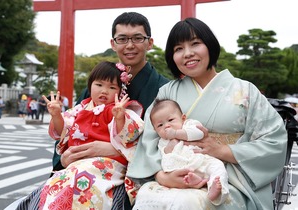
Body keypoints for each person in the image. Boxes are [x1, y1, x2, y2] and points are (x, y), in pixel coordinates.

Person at [127, 18, 287, 210]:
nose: (187, 53)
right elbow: (149, 141)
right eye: (178, 49)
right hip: (174, 173)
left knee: (188, 203)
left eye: (195, 44)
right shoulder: (167, 92)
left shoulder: (245, 91)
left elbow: (274, 142)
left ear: (210, 45)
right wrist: (162, 175)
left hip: (230, 179)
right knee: (146, 199)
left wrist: (222, 151)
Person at [15, 12, 169, 210]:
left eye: (138, 38)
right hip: (80, 170)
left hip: (130, 178)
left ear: (149, 42)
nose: (129, 45)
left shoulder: (163, 89)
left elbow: (167, 140)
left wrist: (117, 150)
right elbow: (70, 127)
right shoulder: (93, 89)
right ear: (113, 44)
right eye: (122, 39)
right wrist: (63, 159)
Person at [39, 61, 144, 209]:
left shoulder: (117, 110)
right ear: (90, 85)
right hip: (77, 163)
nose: (104, 91)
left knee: (84, 178)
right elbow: (64, 130)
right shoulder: (80, 108)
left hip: (108, 163)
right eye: (99, 85)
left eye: (112, 87)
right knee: (57, 182)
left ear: (120, 91)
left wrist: (120, 117)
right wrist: (56, 115)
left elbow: (128, 136)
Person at [150, 98, 229, 205]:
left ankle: (215, 189)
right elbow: (165, 153)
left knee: (217, 166)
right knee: (180, 172)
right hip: (181, 167)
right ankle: (195, 180)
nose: (166, 126)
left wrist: (176, 134)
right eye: (160, 125)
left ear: (183, 118)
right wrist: (170, 144)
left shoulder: (189, 124)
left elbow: (199, 133)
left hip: (201, 159)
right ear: (155, 130)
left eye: (170, 120)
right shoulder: (162, 141)